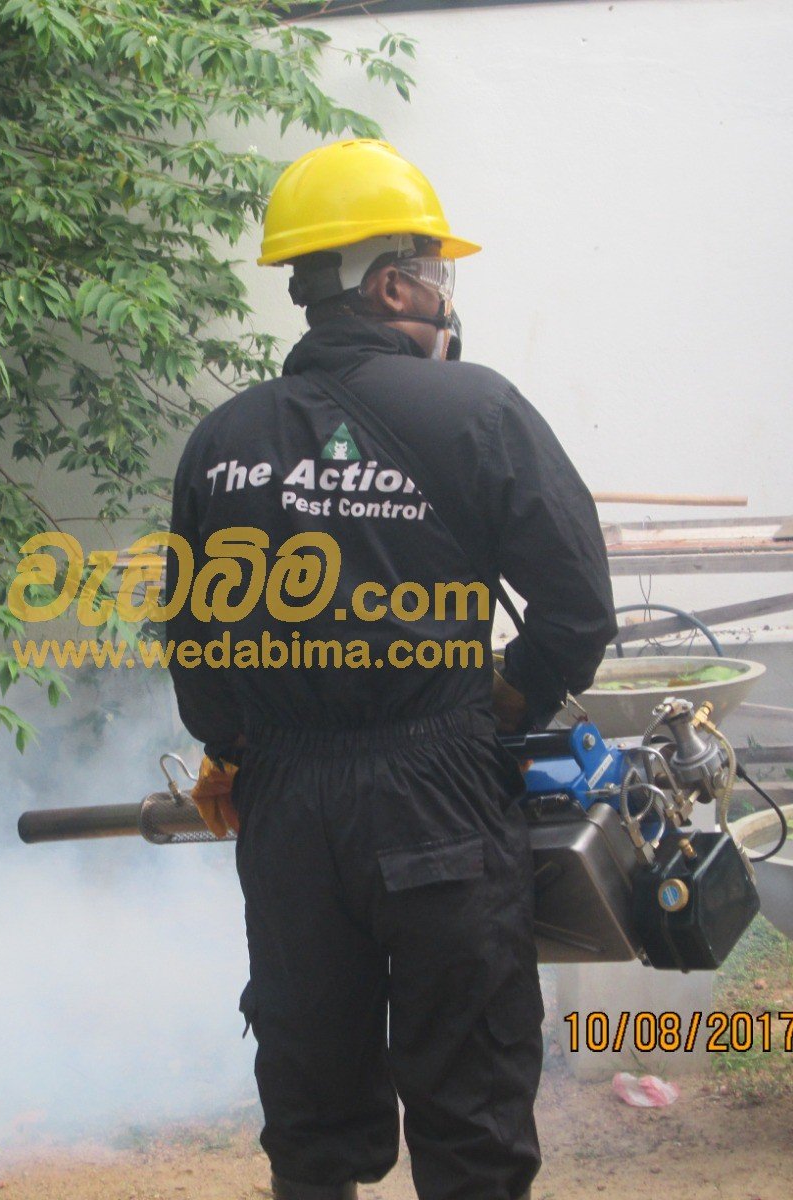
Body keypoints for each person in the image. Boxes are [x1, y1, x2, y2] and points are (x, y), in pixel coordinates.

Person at [165, 139, 617, 1200]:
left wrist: (236, 752)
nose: (445, 296)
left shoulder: (218, 440)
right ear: (388, 282)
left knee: (313, 1108)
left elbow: (195, 640)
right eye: (435, 271)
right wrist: (514, 695)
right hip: (438, 800)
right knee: (468, 1102)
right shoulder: (476, 410)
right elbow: (578, 606)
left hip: (286, 812)